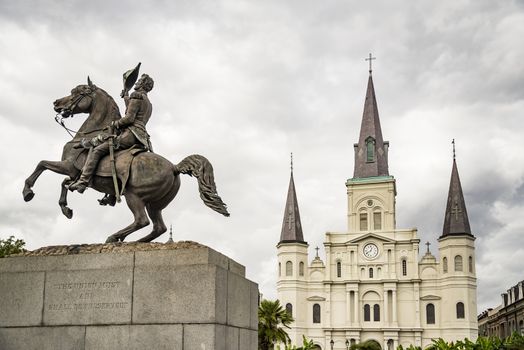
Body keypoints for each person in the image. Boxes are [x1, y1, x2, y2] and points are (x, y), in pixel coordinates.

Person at [69, 74, 154, 194]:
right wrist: (125, 97)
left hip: (130, 135)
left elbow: (129, 118)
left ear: (143, 84)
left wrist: (115, 123)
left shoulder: (136, 96)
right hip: (142, 138)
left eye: (139, 81)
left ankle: (83, 181)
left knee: (98, 150)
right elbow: (133, 110)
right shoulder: (148, 104)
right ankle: (110, 193)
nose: (137, 82)